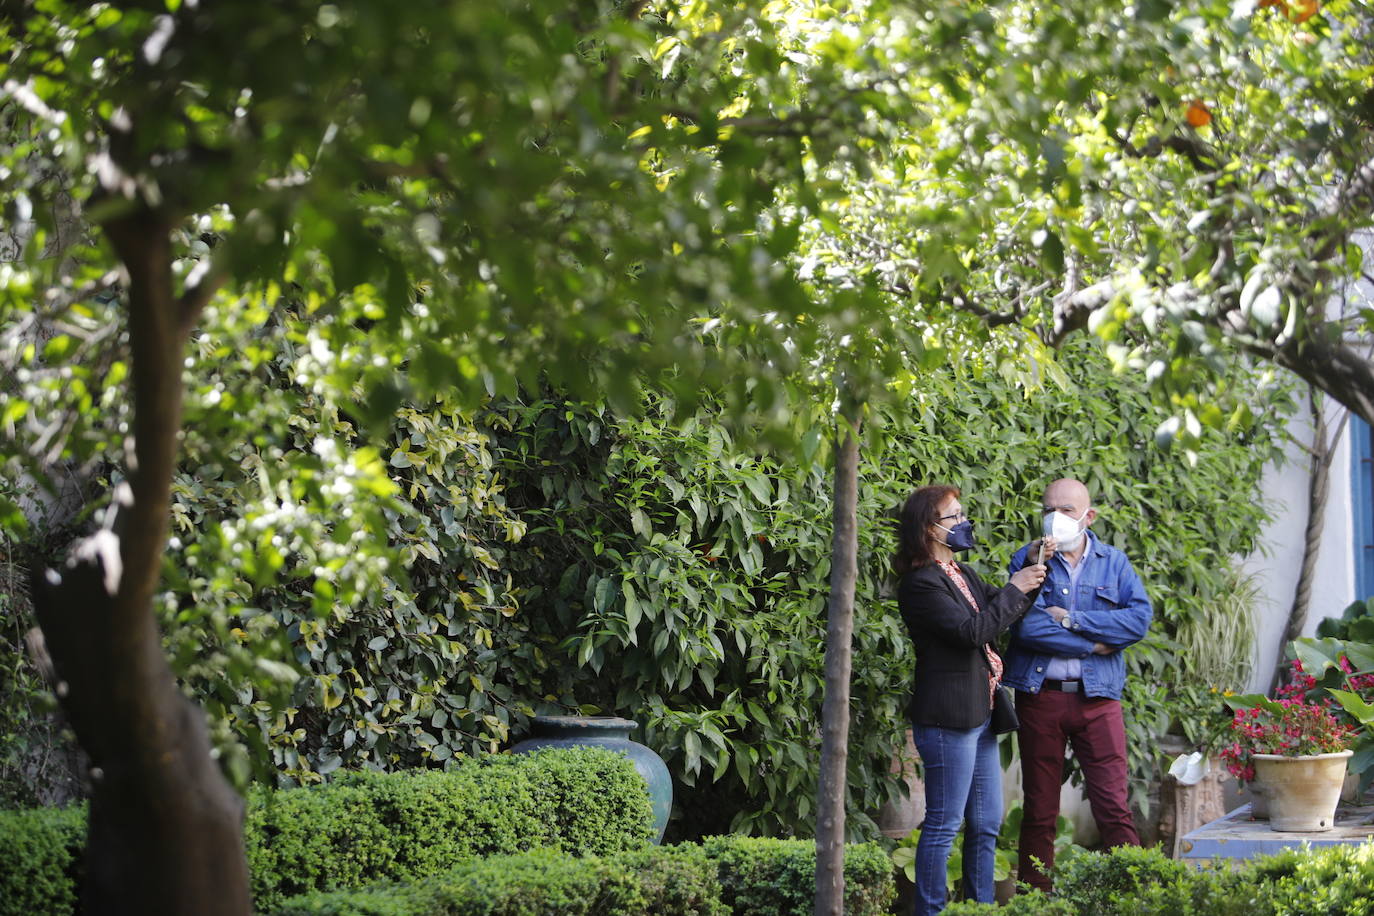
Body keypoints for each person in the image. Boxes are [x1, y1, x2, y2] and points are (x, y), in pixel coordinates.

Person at [896, 485, 1048, 915]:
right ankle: (929, 911)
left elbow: (999, 609)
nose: (964, 523)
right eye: (955, 516)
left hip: (980, 714)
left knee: (985, 824)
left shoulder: (960, 574)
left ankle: (980, 908)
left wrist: (1031, 567)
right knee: (944, 824)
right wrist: (1016, 589)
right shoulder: (921, 584)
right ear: (929, 528)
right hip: (947, 720)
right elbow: (972, 633)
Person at [1003, 478, 1153, 893]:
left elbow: (1138, 620)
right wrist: (1096, 644)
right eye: (1048, 507)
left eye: (1066, 509)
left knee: (1112, 806)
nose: (1055, 517)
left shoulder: (1114, 562)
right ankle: (1035, 898)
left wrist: (1071, 619)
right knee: (1039, 810)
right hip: (1042, 698)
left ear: (1089, 516)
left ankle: (1134, 893)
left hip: (1098, 699)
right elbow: (1027, 628)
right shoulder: (1028, 560)